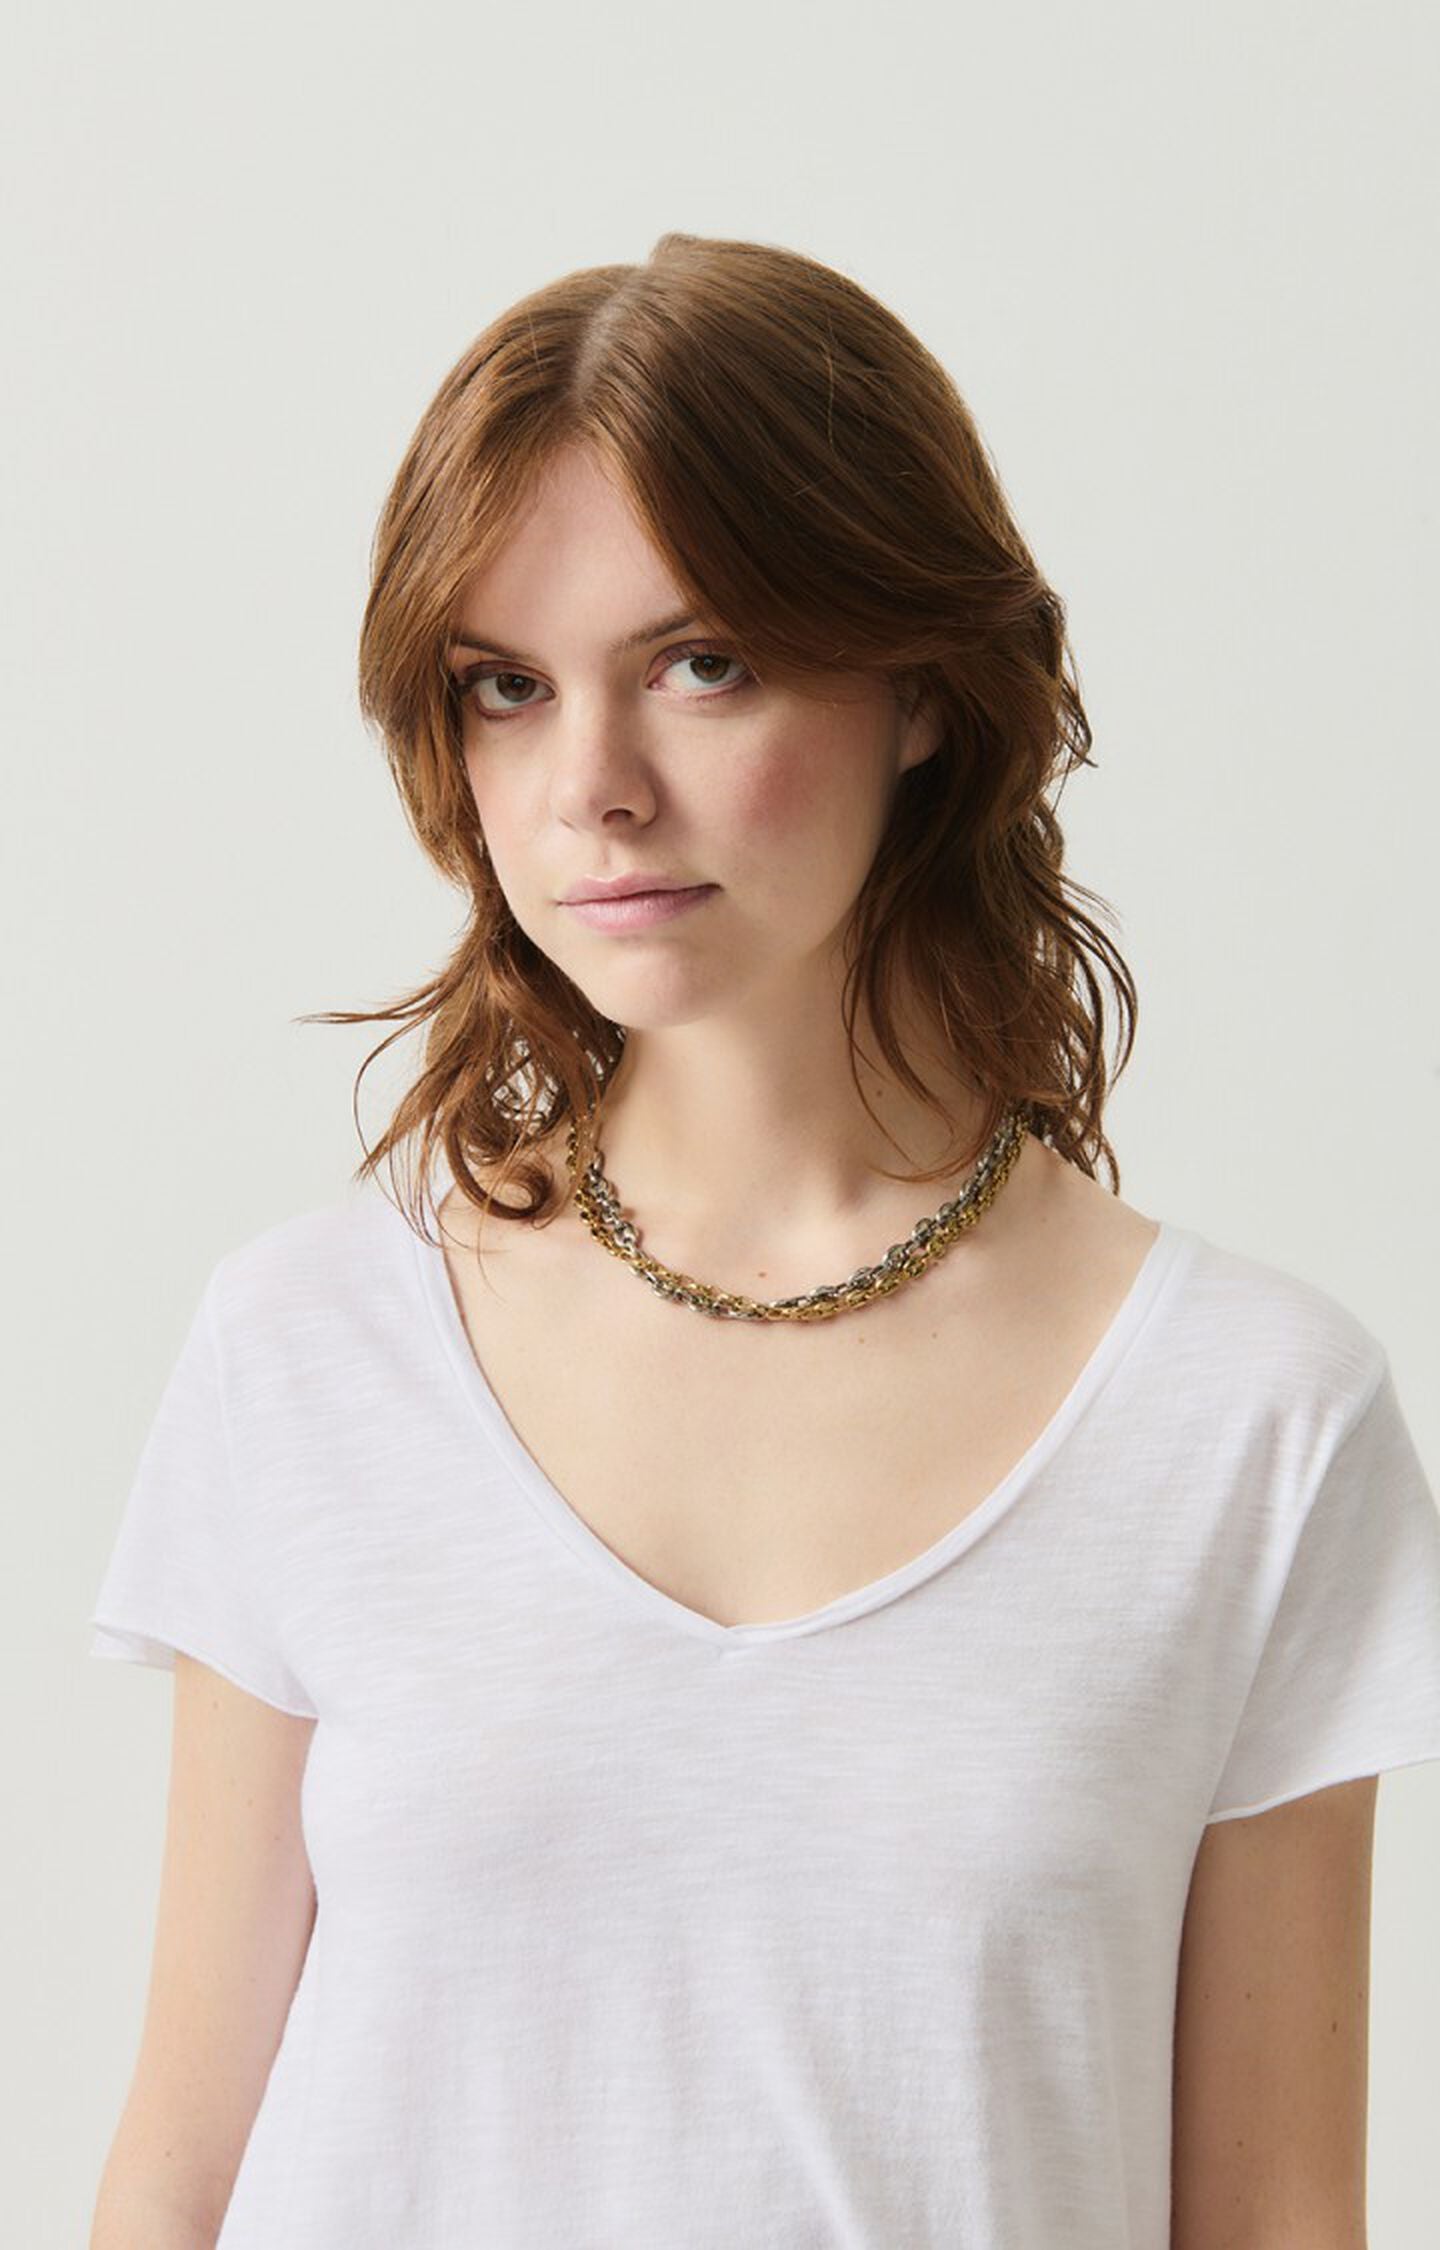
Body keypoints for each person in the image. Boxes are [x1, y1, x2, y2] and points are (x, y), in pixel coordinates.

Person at [87, 233, 1440, 2250]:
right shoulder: (310, 1347)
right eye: (507, 688)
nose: (593, 790)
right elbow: (180, 2164)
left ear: (926, 687)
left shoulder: (1251, 1420)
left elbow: (1274, 2214)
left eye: (701, 664)